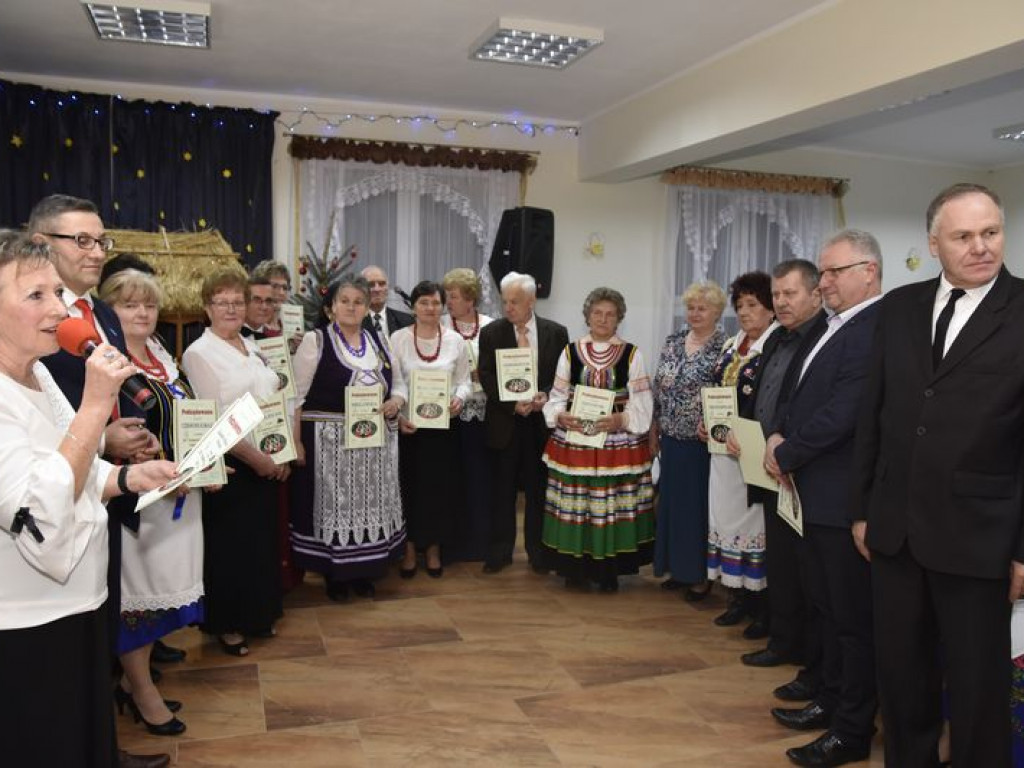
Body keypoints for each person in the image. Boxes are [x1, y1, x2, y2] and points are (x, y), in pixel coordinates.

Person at [853, 183, 1024, 768]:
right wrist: (861, 509)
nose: (981, 247)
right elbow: (874, 413)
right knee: (902, 682)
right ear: (933, 243)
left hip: (981, 538)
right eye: (963, 236)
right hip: (895, 533)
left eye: (991, 232)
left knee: (978, 694)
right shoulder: (900, 307)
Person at [0, 236, 177, 768]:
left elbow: (73, 465)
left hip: (79, 601)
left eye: (58, 291)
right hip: (26, 621)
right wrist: (97, 404)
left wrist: (125, 478)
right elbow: (36, 513)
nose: (58, 308)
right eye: (36, 295)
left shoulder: (39, 373)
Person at [765, 230, 883, 767]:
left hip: (841, 499)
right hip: (815, 494)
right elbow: (799, 394)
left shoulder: (873, 327)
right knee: (828, 610)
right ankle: (830, 700)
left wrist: (787, 453)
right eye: (824, 272)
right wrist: (777, 433)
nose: (825, 282)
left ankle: (852, 729)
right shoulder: (837, 326)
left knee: (852, 623)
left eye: (835, 272)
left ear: (870, 271)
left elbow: (846, 411)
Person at [98, 269, 206, 737]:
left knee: (163, 595)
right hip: (141, 501)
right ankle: (143, 692)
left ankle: (130, 680)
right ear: (108, 311)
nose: (142, 313)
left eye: (149, 305)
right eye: (128, 304)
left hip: (180, 495)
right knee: (138, 601)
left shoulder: (161, 354)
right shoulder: (107, 361)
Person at [181, 268, 288, 656]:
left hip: (267, 459)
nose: (231, 309)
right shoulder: (199, 353)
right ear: (207, 308)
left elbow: (272, 400)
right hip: (232, 464)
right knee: (230, 548)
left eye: (237, 302)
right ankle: (226, 624)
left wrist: (282, 452)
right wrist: (256, 458)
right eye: (221, 302)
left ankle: (258, 615)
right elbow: (214, 421)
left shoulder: (253, 346)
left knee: (259, 545)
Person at [739, 260, 826, 696]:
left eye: (791, 294)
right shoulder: (778, 339)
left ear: (816, 294)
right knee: (782, 564)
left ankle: (807, 653)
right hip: (768, 464)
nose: (782, 302)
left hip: (804, 471)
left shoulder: (822, 338)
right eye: (778, 295)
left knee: (806, 570)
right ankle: (783, 638)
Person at [289, 275, 406, 600]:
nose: (351, 307)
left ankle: (363, 572)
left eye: (358, 302)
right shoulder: (317, 341)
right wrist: (296, 441)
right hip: (330, 445)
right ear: (331, 308)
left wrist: (396, 401)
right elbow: (295, 397)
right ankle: (335, 575)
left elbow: (399, 383)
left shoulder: (380, 341)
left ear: (368, 308)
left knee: (368, 504)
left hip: (373, 447)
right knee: (335, 507)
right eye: (345, 301)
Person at [541, 287, 654, 593]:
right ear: (587, 316)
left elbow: (642, 402)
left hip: (617, 442)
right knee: (577, 503)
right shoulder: (570, 352)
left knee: (610, 505)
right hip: (575, 440)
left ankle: (608, 570)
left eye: (610, 314)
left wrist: (621, 419)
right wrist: (560, 415)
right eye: (597, 313)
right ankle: (574, 568)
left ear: (619, 319)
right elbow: (557, 395)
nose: (603, 319)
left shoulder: (633, 354)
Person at [478, 271, 568, 574]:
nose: (508, 308)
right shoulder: (491, 333)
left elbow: (561, 377)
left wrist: (545, 395)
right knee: (501, 491)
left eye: (514, 301)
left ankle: (538, 553)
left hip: (540, 424)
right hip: (505, 422)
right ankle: (499, 552)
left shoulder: (556, 332)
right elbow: (487, 376)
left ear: (531, 301)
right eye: (505, 301)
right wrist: (512, 403)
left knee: (538, 490)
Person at [705, 273, 779, 634]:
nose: (745, 313)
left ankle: (762, 605)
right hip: (721, 452)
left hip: (752, 452)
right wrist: (708, 423)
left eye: (753, 305)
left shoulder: (776, 345)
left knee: (755, 525)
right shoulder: (731, 345)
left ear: (771, 307)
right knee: (725, 523)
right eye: (740, 306)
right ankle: (737, 597)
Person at [650, 281, 728, 598]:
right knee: (671, 507)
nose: (695, 313)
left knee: (696, 510)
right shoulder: (673, 341)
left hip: (701, 444)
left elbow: (726, 395)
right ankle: (677, 570)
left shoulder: (725, 347)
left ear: (717, 312)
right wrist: (654, 429)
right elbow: (658, 387)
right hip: (670, 437)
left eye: (702, 308)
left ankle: (699, 575)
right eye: (691, 307)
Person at [389, 280, 471, 577]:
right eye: (423, 302)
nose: (430, 308)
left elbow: (465, 380)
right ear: (413, 306)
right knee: (409, 489)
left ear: (442, 306)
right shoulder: (397, 339)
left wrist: (459, 399)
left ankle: (434, 548)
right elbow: (393, 384)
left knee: (439, 489)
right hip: (409, 428)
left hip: (443, 429)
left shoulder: (454, 341)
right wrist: (398, 417)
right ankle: (409, 549)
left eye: (435, 303)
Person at [439, 268, 495, 562]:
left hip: (481, 414)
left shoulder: (490, 326)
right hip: (448, 414)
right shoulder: (439, 326)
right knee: (451, 479)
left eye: (454, 296)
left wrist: (483, 373)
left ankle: (479, 543)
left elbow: (501, 369)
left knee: (479, 479)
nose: (448, 301)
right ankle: (451, 543)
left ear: (471, 299)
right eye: (447, 295)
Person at [361, 265, 413, 340]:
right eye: (371, 285)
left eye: (382, 284)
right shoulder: (354, 321)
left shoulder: (407, 321)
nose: (377, 289)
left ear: (387, 288)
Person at [243, 274, 277, 338]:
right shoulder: (229, 335)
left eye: (268, 301)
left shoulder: (275, 338)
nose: (264, 307)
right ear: (244, 302)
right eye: (257, 300)